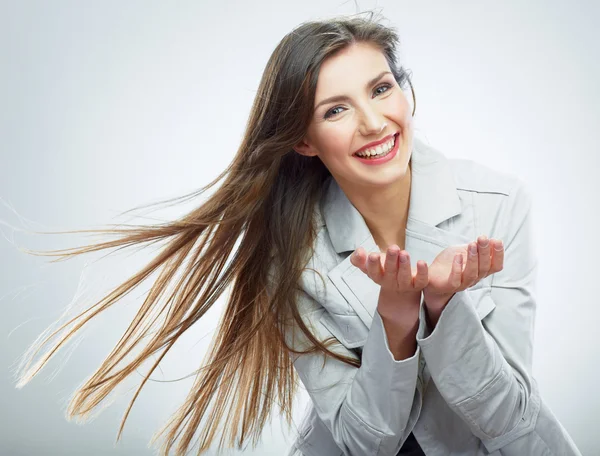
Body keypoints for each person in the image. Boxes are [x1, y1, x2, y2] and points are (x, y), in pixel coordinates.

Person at [14, 12, 581, 456]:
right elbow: (366, 443)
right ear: (304, 140)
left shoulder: (500, 206)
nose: (373, 122)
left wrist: (443, 305)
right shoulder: (289, 257)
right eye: (335, 110)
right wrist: (397, 320)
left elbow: (511, 418)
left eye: (381, 89)